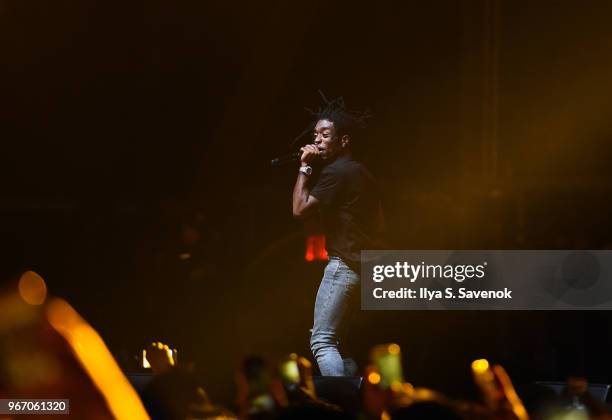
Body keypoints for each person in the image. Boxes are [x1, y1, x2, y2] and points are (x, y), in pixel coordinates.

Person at [292, 97, 384, 376]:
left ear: (343, 141)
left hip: (343, 265)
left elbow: (299, 209)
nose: (317, 140)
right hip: (361, 266)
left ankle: (339, 406)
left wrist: (304, 167)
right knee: (338, 345)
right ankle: (354, 402)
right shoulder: (360, 172)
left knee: (322, 341)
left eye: (325, 135)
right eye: (315, 135)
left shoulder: (337, 172)